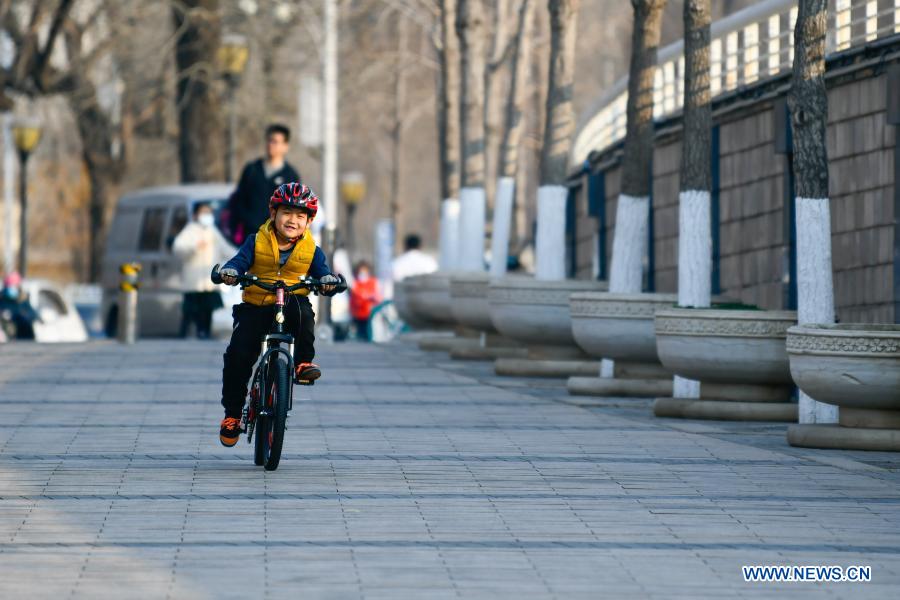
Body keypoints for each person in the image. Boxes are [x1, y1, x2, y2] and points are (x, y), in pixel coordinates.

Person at [217, 182, 340, 447]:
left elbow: (322, 271)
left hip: (291, 301)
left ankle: (303, 363)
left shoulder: (312, 250)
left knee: (305, 316)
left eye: (300, 216)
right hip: (257, 304)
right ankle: (232, 414)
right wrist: (230, 272)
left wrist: (328, 280)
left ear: (309, 222)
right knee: (238, 355)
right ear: (273, 214)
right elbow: (238, 261)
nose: (292, 220)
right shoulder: (257, 241)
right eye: (286, 213)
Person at [227, 123, 302, 245]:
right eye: (269, 140)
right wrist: (243, 223)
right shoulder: (252, 170)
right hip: (250, 237)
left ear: (285, 146)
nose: (270, 144)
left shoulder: (290, 176)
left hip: (277, 240)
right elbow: (239, 202)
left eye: (275, 141)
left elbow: (294, 210)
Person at [172, 203, 235, 339]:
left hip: (209, 281)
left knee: (208, 309)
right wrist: (194, 246)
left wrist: (242, 256)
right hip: (194, 282)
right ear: (196, 215)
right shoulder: (190, 230)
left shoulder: (212, 231)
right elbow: (178, 247)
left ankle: (204, 332)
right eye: (203, 212)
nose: (207, 216)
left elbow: (225, 249)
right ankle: (186, 332)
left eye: (209, 212)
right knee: (192, 310)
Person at [349, 260, 382, 341]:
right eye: (361, 271)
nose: (363, 274)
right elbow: (355, 296)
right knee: (360, 333)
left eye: (365, 271)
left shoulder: (373, 282)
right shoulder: (355, 283)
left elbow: (378, 297)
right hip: (358, 314)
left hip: (370, 314)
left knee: (369, 334)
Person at [0, 272, 37, 340]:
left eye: (13, 286)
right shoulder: (2, 301)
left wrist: (23, 316)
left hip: (24, 337)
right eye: (9, 286)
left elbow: (33, 315)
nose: (11, 288)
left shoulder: (23, 301)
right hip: (7, 338)